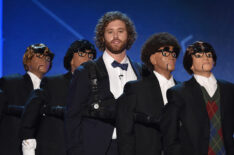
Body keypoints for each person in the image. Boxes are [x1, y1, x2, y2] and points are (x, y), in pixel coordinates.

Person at [65, 11, 142, 155]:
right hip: (98, 149)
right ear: (102, 37)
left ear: (129, 35)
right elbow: (72, 117)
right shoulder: (85, 71)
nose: (115, 36)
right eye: (110, 32)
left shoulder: (142, 71)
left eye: (120, 31)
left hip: (136, 147)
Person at [19, 40, 96, 155]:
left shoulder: (98, 88)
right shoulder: (52, 83)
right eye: (81, 54)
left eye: (91, 56)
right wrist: (28, 148)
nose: (87, 58)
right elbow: (30, 115)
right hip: (55, 148)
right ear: (71, 59)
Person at [161, 41, 234, 155]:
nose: (205, 58)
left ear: (214, 61)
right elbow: (170, 135)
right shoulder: (179, 92)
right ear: (191, 64)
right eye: (199, 56)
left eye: (209, 55)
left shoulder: (229, 89)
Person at [116, 32, 181, 155]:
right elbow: (125, 135)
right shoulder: (135, 89)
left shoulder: (184, 91)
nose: (171, 56)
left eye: (174, 53)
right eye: (165, 52)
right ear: (152, 59)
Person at [0, 43, 54, 155]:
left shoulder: (54, 88)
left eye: (47, 58)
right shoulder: (11, 82)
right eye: (39, 56)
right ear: (28, 61)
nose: (44, 60)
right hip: (14, 146)